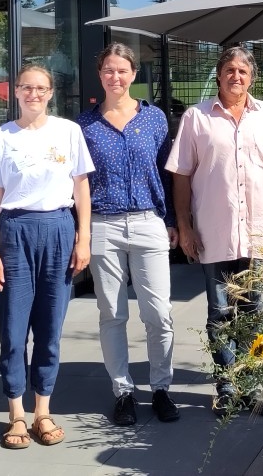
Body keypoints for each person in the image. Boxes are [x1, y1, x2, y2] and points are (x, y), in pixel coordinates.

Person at [167, 45, 263, 415]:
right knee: (221, 314)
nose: (236, 76)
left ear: (252, 77)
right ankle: (227, 388)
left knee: (255, 312)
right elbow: (181, 174)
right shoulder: (197, 118)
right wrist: (184, 225)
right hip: (214, 233)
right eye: (229, 70)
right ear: (219, 74)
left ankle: (249, 387)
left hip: (260, 233)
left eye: (243, 71)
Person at [0, 64, 93, 450]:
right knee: (13, 330)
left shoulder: (69, 132)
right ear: (16, 92)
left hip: (59, 229)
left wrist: (84, 239)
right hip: (14, 232)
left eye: (40, 88)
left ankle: (42, 410)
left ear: (50, 93)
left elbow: (81, 190)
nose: (33, 94)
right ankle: (16, 413)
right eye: (26, 87)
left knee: (50, 328)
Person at [77, 44, 180, 428]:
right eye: (108, 71)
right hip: (103, 224)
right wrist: (81, 231)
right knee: (112, 314)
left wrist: (171, 219)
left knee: (159, 312)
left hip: (147, 221)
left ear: (133, 74)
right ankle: (123, 392)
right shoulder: (85, 124)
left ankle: (161, 388)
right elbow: (80, 184)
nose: (115, 77)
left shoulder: (154, 120)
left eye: (122, 71)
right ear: (100, 74)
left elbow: (166, 173)